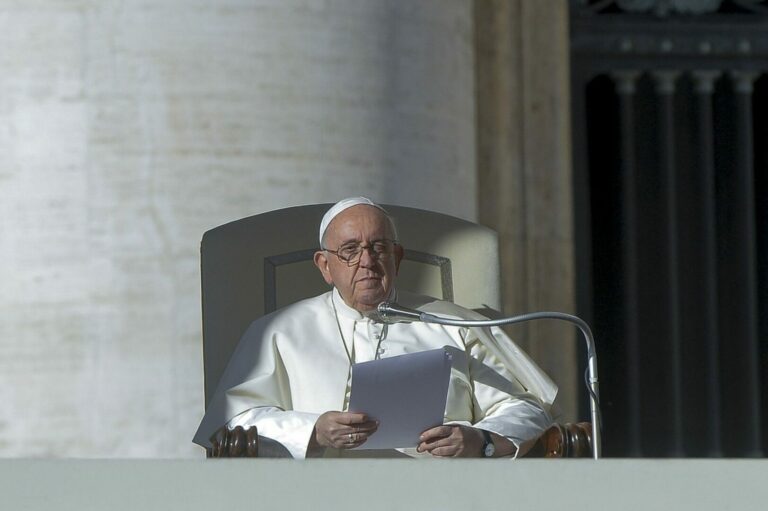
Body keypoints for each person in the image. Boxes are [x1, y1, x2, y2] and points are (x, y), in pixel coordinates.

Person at [194, 197, 556, 458]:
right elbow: (234, 424)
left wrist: (481, 440)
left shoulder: (454, 324)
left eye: (378, 247)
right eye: (349, 250)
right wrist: (313, 430)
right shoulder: (279, 331)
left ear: (396, 258)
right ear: (324, 265)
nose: (367, 261)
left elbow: (526, 408)